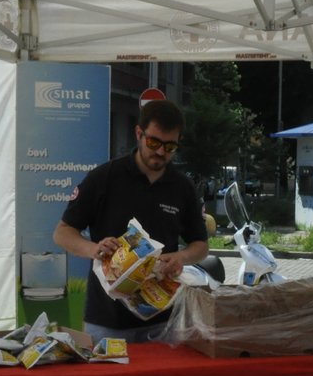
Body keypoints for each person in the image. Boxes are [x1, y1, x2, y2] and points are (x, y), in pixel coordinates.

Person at [54, 99, 211, 342]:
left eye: (170, 146)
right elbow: (63, 232)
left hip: (163, 322)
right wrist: (93, 249)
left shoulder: (183, 188)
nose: (160, 151)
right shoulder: (104, 177)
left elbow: (200, 245)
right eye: (154, 142)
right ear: (139, 133)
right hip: (106, 322)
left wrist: (182, 257)